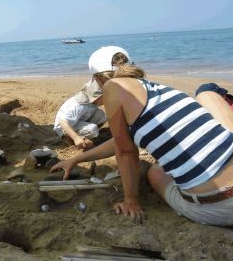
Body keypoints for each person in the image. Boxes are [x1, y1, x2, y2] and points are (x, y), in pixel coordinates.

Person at [51, 45, 233, 226]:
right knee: (207, 90)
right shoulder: (160, 92)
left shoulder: (112, 87)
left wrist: (130, 200)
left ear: (98, 78)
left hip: (219, 207)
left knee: (155, 171)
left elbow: (125, 151)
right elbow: (121, 141)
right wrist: (76, 160)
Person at [53, 80, 107, 150]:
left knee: (101, 116)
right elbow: (62, 122)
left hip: (76, 120)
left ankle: (83, 134)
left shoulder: (91, 101)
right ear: (97, 97)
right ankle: (69, 138)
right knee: (92, 129)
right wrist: (76, 138)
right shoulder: (80, 106)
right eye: (105, 97)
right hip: (64, 127)